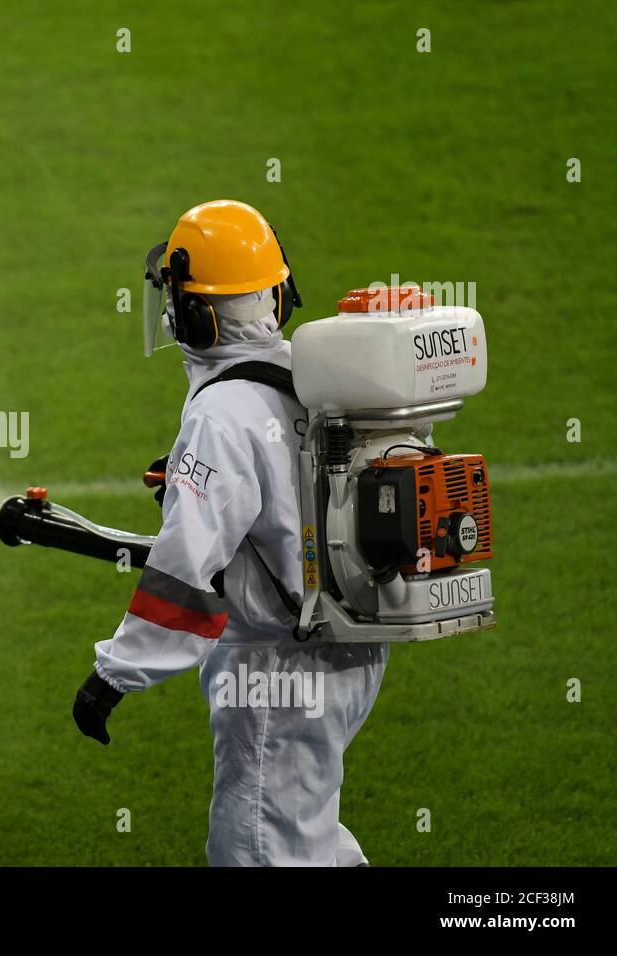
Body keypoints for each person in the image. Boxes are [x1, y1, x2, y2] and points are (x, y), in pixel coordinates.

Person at [72, 200, 388, 867]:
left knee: (257, 848)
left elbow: (186, 568)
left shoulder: (221, 413)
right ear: (279, 293)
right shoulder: (315, 371)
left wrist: (115, 674)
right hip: (348, 649)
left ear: (196, 314)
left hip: (277, 666)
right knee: (304, 832)